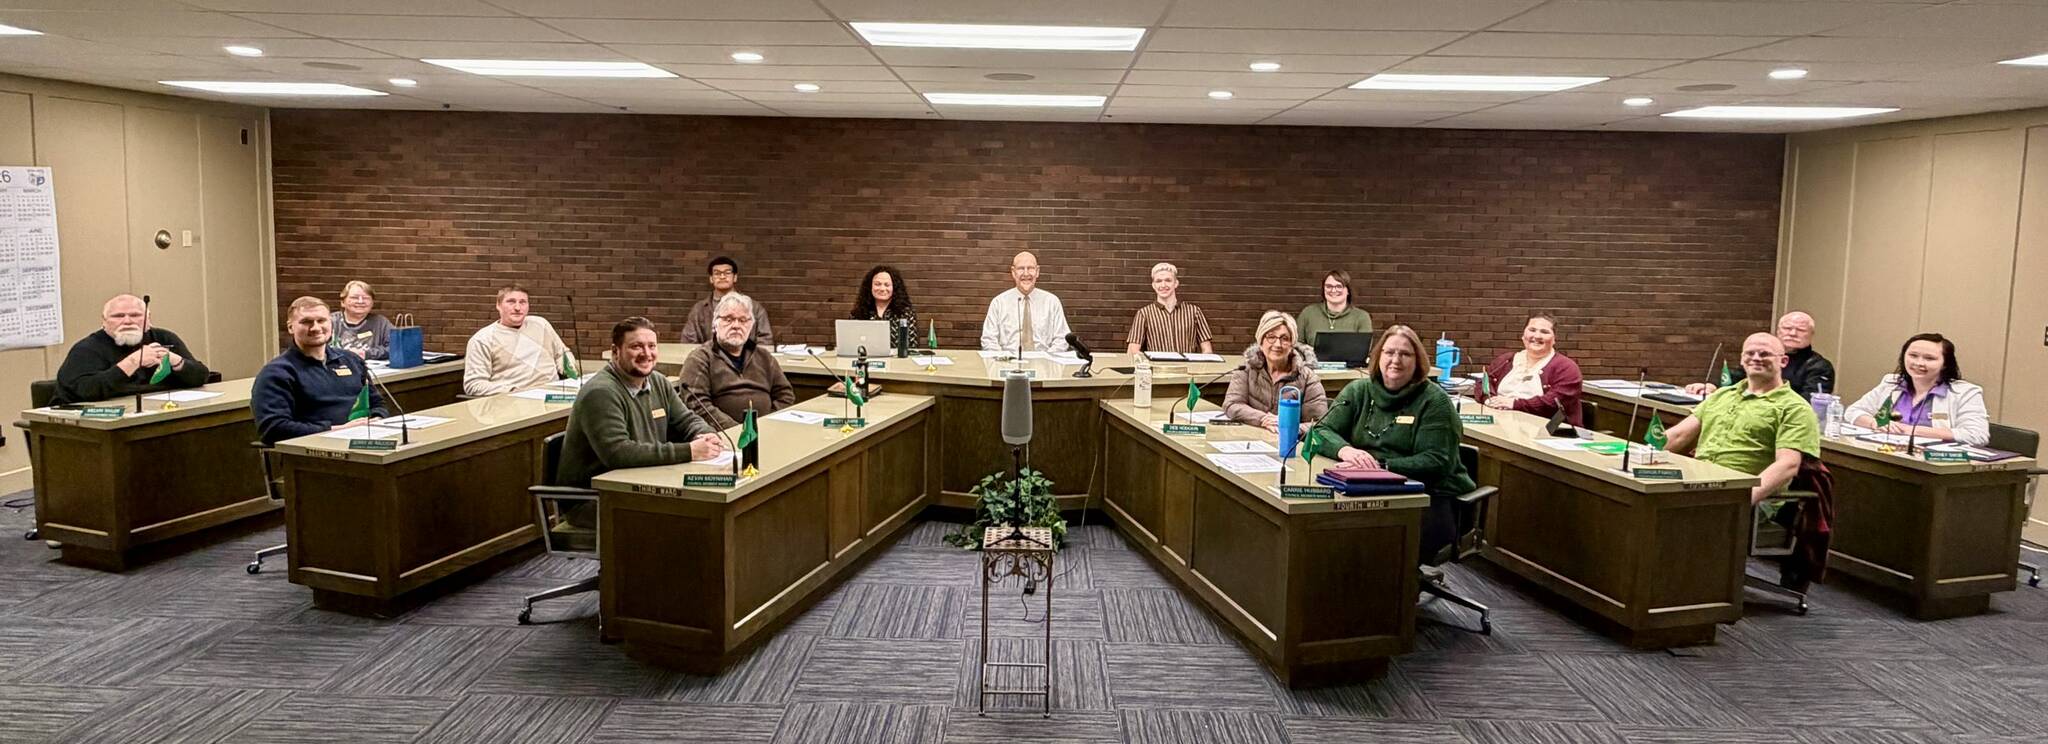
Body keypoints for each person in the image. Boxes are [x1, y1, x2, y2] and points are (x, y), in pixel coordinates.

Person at [1311, 324, 1476, 561]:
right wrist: (1345, 451)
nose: (1395, 360)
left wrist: (1378, 467)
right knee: (1331, 531)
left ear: (1418, 361)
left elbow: (1437, 461)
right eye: (1389, 352)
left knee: (1375, 544)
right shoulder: (1358, 391)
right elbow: (1319, 432)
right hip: (1366, 489)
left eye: (1405, 354)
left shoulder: (1435, 401)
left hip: (1428, 496)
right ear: (1378, 356)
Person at [559, 316, 724, 488]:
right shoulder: (600, 393)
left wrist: (705, 435)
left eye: (651, 346)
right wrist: (689, 451)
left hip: (642, 483)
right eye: (636, 346)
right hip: (598, 494)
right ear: (615, 351)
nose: (646, 354)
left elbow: (687, 420)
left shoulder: (658, 381)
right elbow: (619, 453)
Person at [1661, 333, 1821, 505]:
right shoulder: (1722, 395)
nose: (1756, 358)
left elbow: (1787, 465)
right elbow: (1678, 436)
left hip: (1743, 499)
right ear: (1742, 359)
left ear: (1783, 361)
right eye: (1750, 353)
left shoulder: (1795, 408)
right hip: (1699, 486)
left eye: (1765, 354)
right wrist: (1644, 456)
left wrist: (1741, 501)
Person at [252, 296, 386, 445]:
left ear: (331, 323)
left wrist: (377, 420)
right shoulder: (276, 373)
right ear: (290, 327)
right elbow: (273, 429)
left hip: (365, 441)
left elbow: (377, 404)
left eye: (321, 321)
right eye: (306, 322)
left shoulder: (352, 361)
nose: (316, 328)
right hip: (315, 450)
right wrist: (339, 430)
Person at [52, 294, 212, 405]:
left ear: (148, 319)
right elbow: (85, 391)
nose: (127, 321)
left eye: (135, 315)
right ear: (104, 322)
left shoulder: (164, 338)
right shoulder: (87, 349)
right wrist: (133, 362)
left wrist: (176, 361)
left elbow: (201, 377)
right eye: (118, 316)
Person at [1843, 333, 1989, 447]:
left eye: (1929, 358)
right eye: (1913, 356)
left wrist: (1910, 430)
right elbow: (1852, 412)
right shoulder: (1891, 383)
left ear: (1945, 363)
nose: (1919, 363)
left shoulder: (1965, 392)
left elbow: (1976, 436)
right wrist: (1874, 423)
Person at [678, 294, 797, 430]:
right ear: (715, 323)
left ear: (751, 326)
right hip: (722, 435)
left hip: (766, 431)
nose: (736, 325)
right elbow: (696, 404)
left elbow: (785, 395)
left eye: (743, 320)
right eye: (728, 319)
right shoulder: (700, 358)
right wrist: (739, 431)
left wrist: (765, 425)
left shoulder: (764, 357)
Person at [1685, 311, 1834, 400]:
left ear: (1811, 335)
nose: (1793, 333)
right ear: (1778, 331)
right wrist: (1712, 386)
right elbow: (1736, 378)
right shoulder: (1762, 356)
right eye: (1787, 328)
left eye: (1800, 330)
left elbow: (1809, 403)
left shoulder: (1819, 367)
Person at [1223, 311, 1327, 430]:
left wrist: (1287, 426)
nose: (1278, 344)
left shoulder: (1307, 377)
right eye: (1271, 337)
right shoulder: (1245, 370)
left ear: (1292, 344)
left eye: (1285, 338)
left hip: (1291, 439)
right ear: (1261, 341)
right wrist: (1263, 419)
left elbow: (1319, 423)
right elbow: (1232, 404)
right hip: (1252, 437)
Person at [463, 284, 571, 397]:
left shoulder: (541, 324)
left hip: (554, 395)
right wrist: (513, 390)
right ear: (498, 305)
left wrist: (570, 370)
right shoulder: (482, 339)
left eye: (523, 302)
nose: (518, 308)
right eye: (511, 302)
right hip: (514, 400)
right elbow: (473, 385)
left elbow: (562, 353)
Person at [1482, 314, 1585, 426]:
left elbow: (1553, 403)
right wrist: (1490, 400)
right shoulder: (1505, 360)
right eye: (1532, 330)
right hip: (1500, 424)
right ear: (1523, 335)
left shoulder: (1567, 368)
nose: (1537, 336)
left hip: (1546, 431)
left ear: (1554, 339)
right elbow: (1483, 384)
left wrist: (1514, 404)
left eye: (1544, 332)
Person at [980, 250, 1071, 353]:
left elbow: (1062, 339)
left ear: (1037, 271)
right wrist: (1004, 359)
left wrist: (1047, 359)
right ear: (1013, 272)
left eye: (1030, 268)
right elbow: (988, 340)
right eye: (1021, 269)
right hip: (1008, 361)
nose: (1026, 273)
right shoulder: (999, 303)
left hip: (1044, 360)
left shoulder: (1052, 302)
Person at [681, 256, 773, 346]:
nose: (722, 276)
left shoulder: (754, 307)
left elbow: (765, 340)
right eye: (717, 273)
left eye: (727, 273)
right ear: (711, 279)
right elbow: (688, 341)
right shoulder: (699, 309)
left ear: (735, 277)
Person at [1126, 262, 1214, 355]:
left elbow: (1207, 350)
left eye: (1168, 280)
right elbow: (1132, 351)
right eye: (1158, 281)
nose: (1163, 285)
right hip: (1157, 364)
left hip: (1187, 364)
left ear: (1176, 283)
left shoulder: (1194, 311)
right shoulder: (1144, 314)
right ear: (1153, 285)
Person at [1296, 269, 1373, 347]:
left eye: (1339, 286)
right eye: (1329, 286)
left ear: (1348, 290)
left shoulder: (1361, 317)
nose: (1333, 290)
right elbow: (1296, 345)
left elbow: (1364, 348)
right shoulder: (1308, 313)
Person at [851, 265, 917, 352]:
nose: (882, 289)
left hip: (896, 359)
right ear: (870, 286)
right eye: (877, 284)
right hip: (866, 358)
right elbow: (851, 343)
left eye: (887, 285)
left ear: (894, 287)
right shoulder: (858, 313)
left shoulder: (906, 313)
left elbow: (912, 346)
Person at [332, 280, 394, 361]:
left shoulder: (381, 323)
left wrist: (367, 354)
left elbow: (397, 347)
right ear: (342, 302)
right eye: (354, 297)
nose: (360, 301)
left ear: (372, 303)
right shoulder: (330, 321)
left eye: (366, 298)